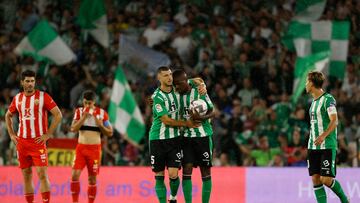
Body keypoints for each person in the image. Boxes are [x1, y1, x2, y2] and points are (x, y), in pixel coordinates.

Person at [5, 70, 63, 203]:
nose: (30, 84)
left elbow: (58, 115)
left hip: (38, 142)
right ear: (22, 82)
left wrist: (48, 134)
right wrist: (11, 134)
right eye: (27, 81)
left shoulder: (43, 97)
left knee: (42, 175)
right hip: (22, 143)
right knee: (26, 176)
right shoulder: (17, 98)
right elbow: (7, 115)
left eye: (32, 81)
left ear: (35, 82)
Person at [149, 66, 199, 203]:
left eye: (170, 74)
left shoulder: (177, 89)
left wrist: (201, 84)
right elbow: (166, 120)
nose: (169, 77)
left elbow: (195, 80)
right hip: (157, 139)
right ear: (159, 78)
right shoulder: (157, 97)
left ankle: (173, 197)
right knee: (159, 175)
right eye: (165, 75)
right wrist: (186, 123)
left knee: (173, 173)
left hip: (174, 139)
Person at [305, 71, 349, 203]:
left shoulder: (328, 99)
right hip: (313, 145)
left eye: (307, 82)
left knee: (326, 179)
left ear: (312, 83)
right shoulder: (313, 102)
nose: (306, 85)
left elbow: (334, 121)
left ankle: (344, 199)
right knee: (315, 179)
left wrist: (323, 136)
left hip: (327, 145)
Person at [173, 69, 215, 203]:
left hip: (203, 136)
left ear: (184, 82)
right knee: (186, 170)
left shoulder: (199, 91)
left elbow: (212, 111)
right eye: (175, 85)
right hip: (186, 136)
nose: (176, 88)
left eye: (178, 85)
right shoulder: (176, 94)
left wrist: (201, 117)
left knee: (206, 172)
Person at [70, 90, 113, 203]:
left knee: (92, 179)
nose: (87, 105)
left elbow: (110, 133)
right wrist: (83, 117)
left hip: (94, 150)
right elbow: (73, 129)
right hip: (81, 148)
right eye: (85, 103)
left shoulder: (102, 114)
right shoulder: (79, 112)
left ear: (94, 102)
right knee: (74, 175)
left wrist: (100, 125)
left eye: (89, 103)